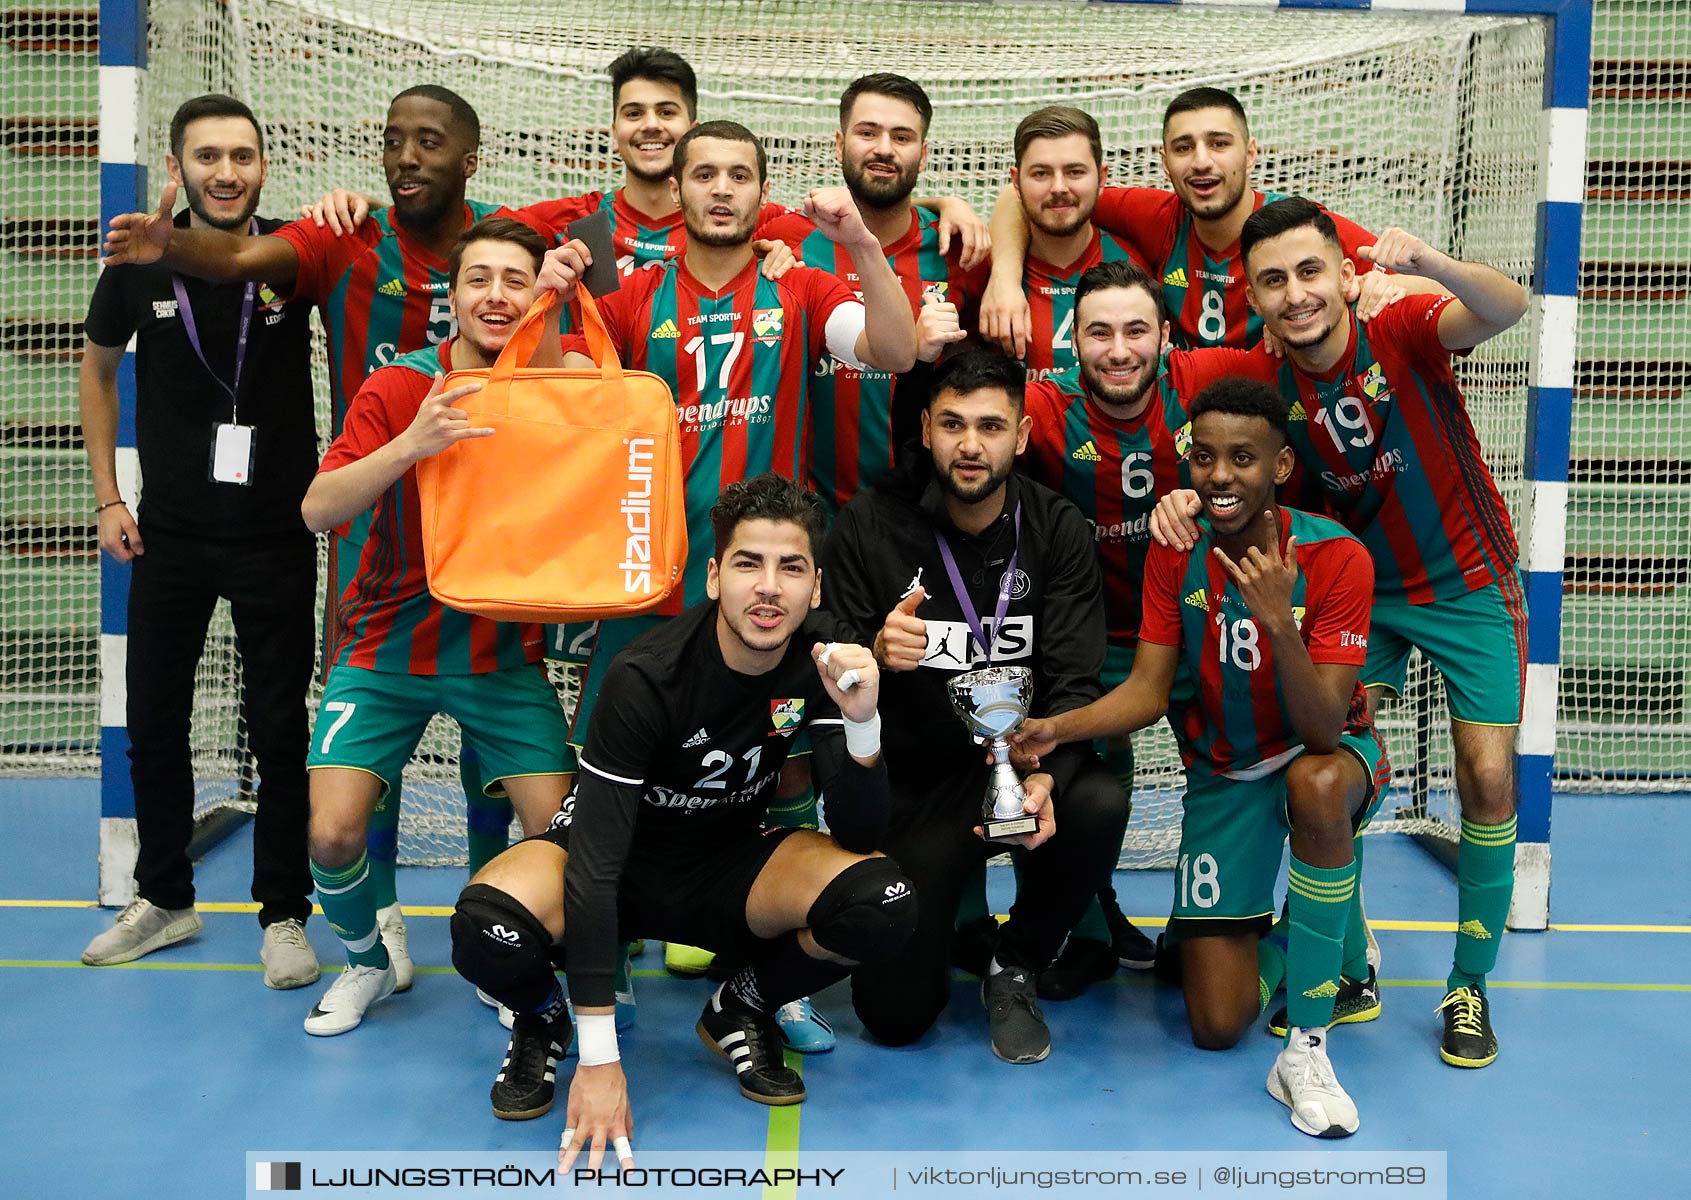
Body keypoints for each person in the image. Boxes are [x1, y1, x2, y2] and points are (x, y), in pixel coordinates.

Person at [101, 85, 557, 982]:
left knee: (493, 763)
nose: (405, 157)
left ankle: (494, 920)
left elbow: (648, 198)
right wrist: (170, 247)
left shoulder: (511, 244)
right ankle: (373, 928)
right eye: (391, 141)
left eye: (429, 142)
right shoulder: (343, 238)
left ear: (470, 158)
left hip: (497, 570)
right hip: (371, 559)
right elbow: (238, 258)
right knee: (354, 765)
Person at [1153, 197, 1530, 1067]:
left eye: (1310, 271)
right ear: (1251, 295)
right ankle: (1348, 960)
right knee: (1325, 766)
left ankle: (1467, 987)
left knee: (1485, 775)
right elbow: (1178, 425)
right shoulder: (1257, 375)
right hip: (1357, 587)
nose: (1295, 295)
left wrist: (1431, 261)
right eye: (1273, 280)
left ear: (1344, 273)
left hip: (1465, 582)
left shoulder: (1397, 319)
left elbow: (1507, 307)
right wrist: (1180, 494)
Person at [449, 474, 914, 1165]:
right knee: (482, 927)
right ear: (713, 576)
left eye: (790, 568)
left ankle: (741, 1004)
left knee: (885, 903)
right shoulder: (645, 677)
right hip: (615, 861)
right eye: (747, 563)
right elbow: (597, 866)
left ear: (815, 587)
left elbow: (860, 836)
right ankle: (543, 1019)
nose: (768, 587)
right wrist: (600, 1061)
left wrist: (864, 723)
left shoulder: (825, 657)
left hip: (728, 866)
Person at [1016, 376, 1390, 1138]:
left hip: (1328, 753)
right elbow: (1150, 690)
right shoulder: (1174, 553)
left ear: (1280, 469)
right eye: (1204, 457)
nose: (1220, 476)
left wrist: (1277, 620)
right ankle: (1302, 933)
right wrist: (1061, 725)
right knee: (1215, 1025)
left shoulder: (1338, 556)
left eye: (1243, 459)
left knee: (1314, 786)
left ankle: (1307, 1046)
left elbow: (1322, 729)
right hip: (1225, 773)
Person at [293, 217, 575, 1035]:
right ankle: (367, 965)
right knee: (335, 831)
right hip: (384, 645)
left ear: (534, 295)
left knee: (557, 833)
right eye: (477, 278)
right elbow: (318, 508)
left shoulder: (551, 389)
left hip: (500, 652)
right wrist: (411, 444)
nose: (495, 294)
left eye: (514, 280)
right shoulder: (398, 388)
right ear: (452, 297)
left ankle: (505, 959)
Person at [820, 348, 1129, 1065]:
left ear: (1019, 436)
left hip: (1024, 765)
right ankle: (943, 933)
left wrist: (1049, 772)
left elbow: (1076, 680)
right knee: (894, 1018)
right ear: (924, 429)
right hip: (922, 783)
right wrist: (870, 646)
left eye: (990, 427)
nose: (969, 445)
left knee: (1099, 804)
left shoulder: (1056, 529)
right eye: (952, 424)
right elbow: (826, 641)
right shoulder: (870, 523)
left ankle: (1013, 962)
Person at [78, 95, 320, 989]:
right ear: (178, 169)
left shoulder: (297, 255)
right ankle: (165, 898)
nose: (228, 171)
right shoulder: (141, 258)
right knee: (154, 725)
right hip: (170, 535)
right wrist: (109, 496)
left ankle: (285, 912)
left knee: (280, 727)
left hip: (277, 536)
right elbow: (97, 370)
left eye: (244, 155)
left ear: (264, 165)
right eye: (209, 157)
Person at [982, 86, 1423, 354]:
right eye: (1184, 147)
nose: (1202, 162)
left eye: (1219, 143)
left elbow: (1444, 294)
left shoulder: (1298, 229)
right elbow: (1019, 197)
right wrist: (1003, 278)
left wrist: (1368, 285)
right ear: (1165, 162)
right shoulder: (1157, 217)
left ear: (1250, 154)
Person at [977, 107, 1147, 380]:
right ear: (1016, 182)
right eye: (1041, 173)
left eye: (1075, 172)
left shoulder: (1138, 266)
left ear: (1102, 178)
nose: (1058, 187)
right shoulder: (983, 270)